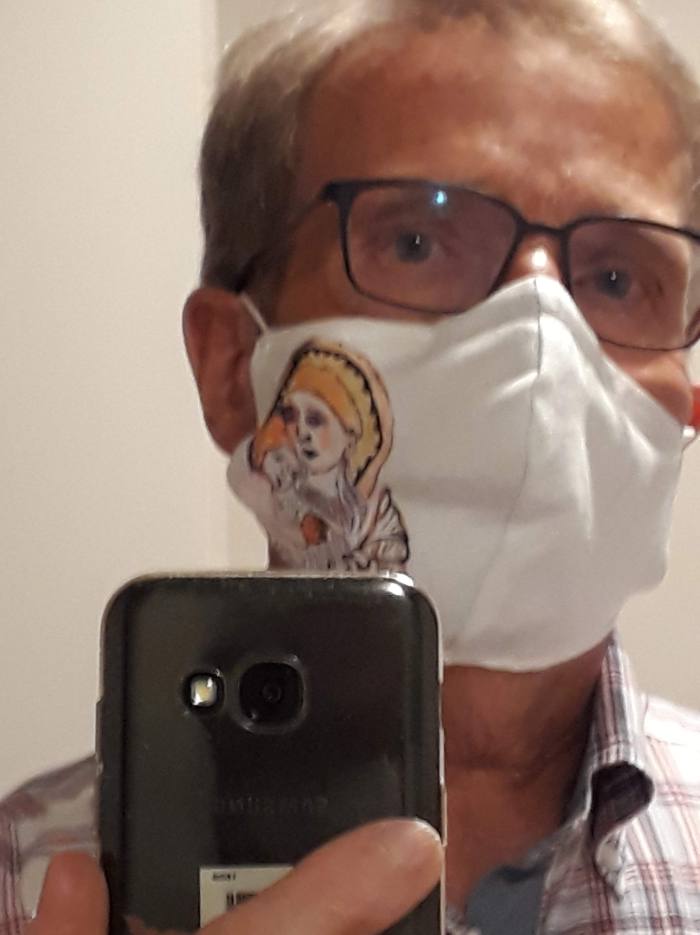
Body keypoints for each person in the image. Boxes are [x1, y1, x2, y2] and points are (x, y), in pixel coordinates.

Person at [5, 0, 700, 932]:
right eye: (416, 242)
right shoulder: (22, 883)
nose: (539, 333)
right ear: (229, 367)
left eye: (618, 278)